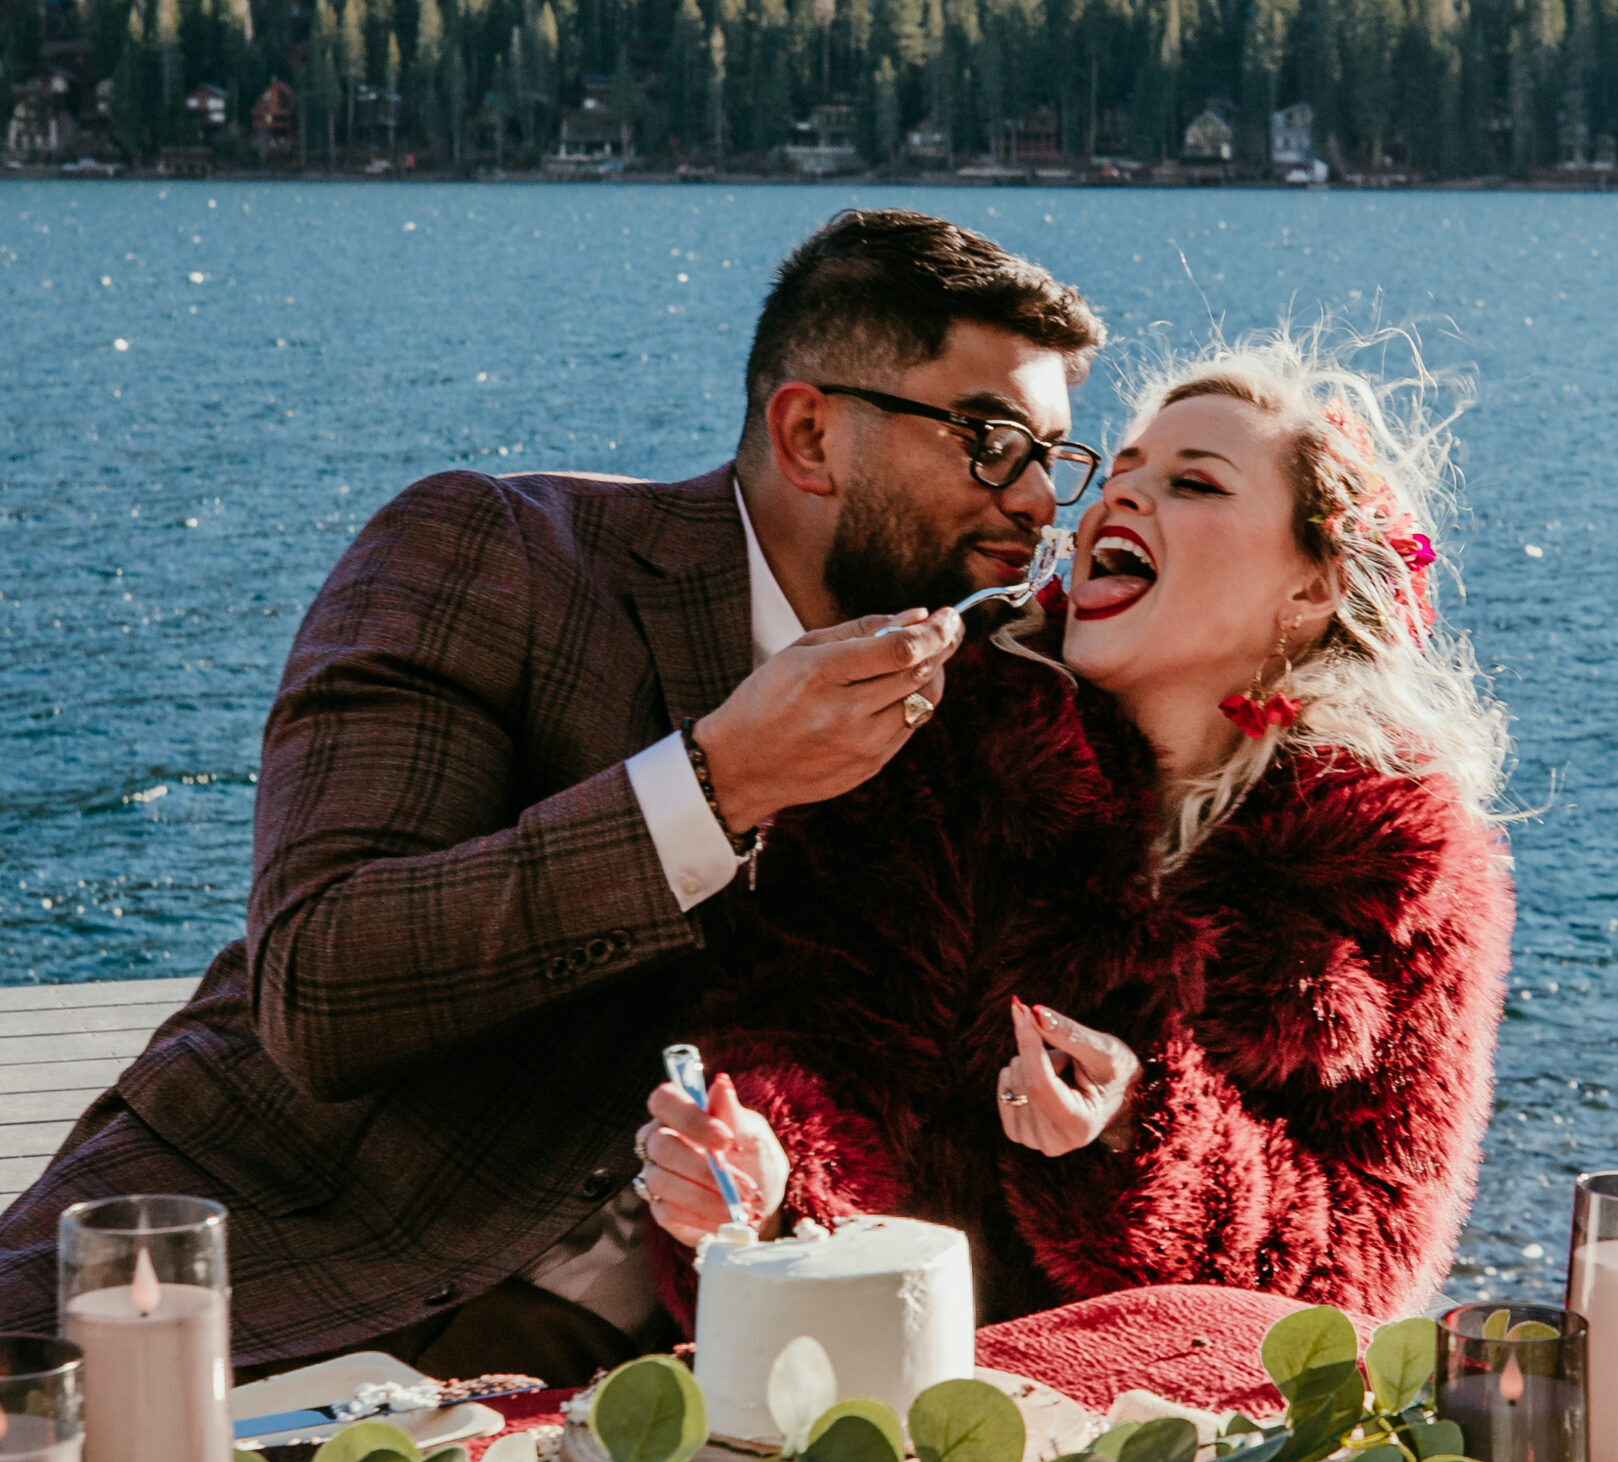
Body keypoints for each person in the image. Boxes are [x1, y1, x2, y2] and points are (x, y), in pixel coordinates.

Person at [0, 211, 1105, 1378]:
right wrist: (712, 785)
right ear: (812, 435)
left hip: (630, 1383)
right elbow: (318, 983)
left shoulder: (990, 706)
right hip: (267, 1278)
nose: (1038, 498)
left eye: (1056, 454)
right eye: (990, 437)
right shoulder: (500, 553)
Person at [637, 328, 1514, 1327]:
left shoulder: (1408, 872)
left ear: (1308, 589)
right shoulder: (942, 752)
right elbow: (808, 1038)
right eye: (1124, 471)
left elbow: (1371, 1264)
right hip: (884, 1397)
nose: (1118, 496)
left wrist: (1143, 1140)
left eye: (1197, 484)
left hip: (1203, 1443)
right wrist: (766, 1172)